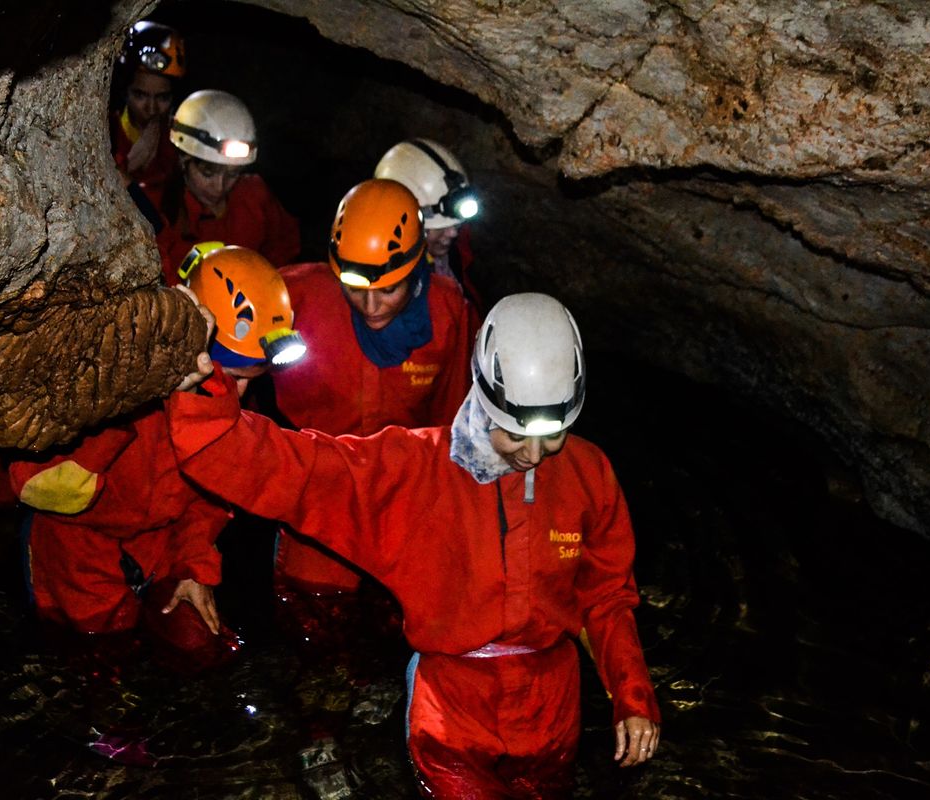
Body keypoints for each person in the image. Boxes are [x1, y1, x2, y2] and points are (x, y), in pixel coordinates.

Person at [168, 292, 661, 797]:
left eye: (552, 434)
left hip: (552, 706)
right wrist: (204, 392)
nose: (534, 455)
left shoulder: (589, 472)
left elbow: (605, 597)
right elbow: (288, 468)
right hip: (454, 713)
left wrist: (632, 696)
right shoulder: (412, 472)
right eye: (515, 434)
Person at [9, 247, 304, 672]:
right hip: (77, 542)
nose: (239, 395)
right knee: (99, 659)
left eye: (251, 382)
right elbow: (34, 481)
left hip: (157, 544)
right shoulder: (115, 368)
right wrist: (127, 400)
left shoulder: (226, 409)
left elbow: (210, 500)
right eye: (233, 377)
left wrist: (192, 567)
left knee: (204, 647)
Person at [269, 177, 476, 658]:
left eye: (388, 291)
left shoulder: (448, 311)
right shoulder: (293, 297)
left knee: (395, 629)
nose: (370, 306)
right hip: (314, 493)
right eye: (355, 289)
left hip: (400, 496)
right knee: (312, 629)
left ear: (415, 267)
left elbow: (454, 423)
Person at [147, 89, 300, 285]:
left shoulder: (254, 196)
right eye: (207, 173)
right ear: (183, 160)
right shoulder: (158, 209)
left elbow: (284, 254)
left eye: (232, 173)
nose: (219, 186)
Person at [374, 138, 484, 317]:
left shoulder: (455, 251)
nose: (453, 233)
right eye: (437, 227)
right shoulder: (390, 298)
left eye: (456, 224)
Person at [109, 20, 186, 198]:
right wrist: (128, 166)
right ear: (125, 92)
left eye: (163, 97)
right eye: (140, 95)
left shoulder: (180, 139)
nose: (152, 108)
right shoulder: (105, 132)